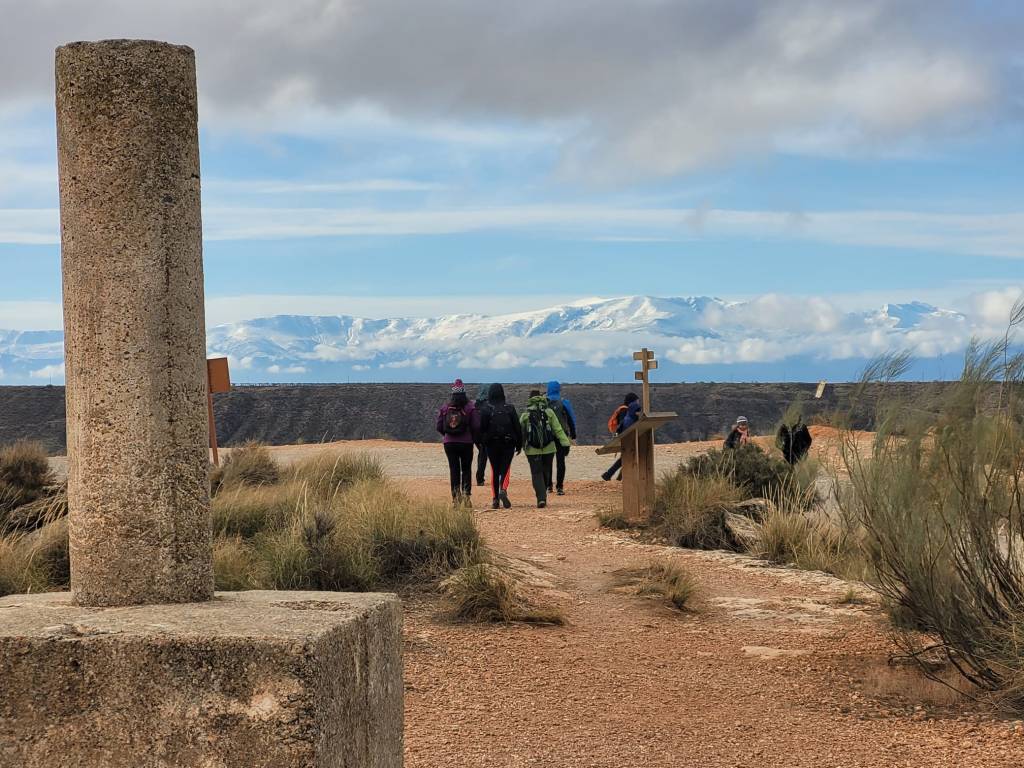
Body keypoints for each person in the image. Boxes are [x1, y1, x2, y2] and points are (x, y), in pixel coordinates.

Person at [520, 389, 571, 508]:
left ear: (530, 399)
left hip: (532, 450)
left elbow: (520, 432)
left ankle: (541, 497)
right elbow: (558, 429)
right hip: (549, 448)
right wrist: (565, 443)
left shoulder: (525, 414)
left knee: (536, 473)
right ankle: (544, 492)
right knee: (546, 470)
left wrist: (519, 446)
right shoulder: (549, 412)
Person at [478, 383, 522, 509]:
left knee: (494, 470)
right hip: (508, 443)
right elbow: (517, 427)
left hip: (492, 444)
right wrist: (519, 444)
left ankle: (495, 499)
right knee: (505, 468)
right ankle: (503, 489)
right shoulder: (510, 408)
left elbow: (482, 428)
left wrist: (483, 443)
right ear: (502, 393)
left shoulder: (486, 409)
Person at [435, 379, 478, 501]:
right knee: (466, 469)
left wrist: (447, 434)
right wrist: (472, 436)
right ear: (464, 392)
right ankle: (466, 497)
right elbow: (476, 425)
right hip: (466, 443)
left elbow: (439, 426)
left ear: (453, 393)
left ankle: (455, 498)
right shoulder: (470, 407)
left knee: (454, 470)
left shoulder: (445, 407)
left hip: (449, 443)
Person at [545, 380, 577, 495]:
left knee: (548, 461)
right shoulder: (564, 402)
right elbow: (571, 419)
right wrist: (573, 434)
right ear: (559, 389)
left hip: (548, 436)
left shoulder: (544, 402)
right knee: (561, 461)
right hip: (561, 435)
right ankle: (559, 487)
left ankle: (549, 486)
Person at [601, 393, 641, 481]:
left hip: (625, 435)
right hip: (625, 436)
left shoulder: (625, 409)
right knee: (626, 456)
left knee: (626, 456)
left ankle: (612, 476)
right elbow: (623, 424)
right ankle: (610, 475)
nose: (638, 402)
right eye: (637, 401)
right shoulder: (625, 410)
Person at [474, 383, 492, 486]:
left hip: (476, 435)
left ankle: (480, 478)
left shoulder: (475, 405)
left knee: (482, 454)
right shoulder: (489, 406)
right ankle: (480, 478)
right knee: (484, 455)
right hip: (485, 434)